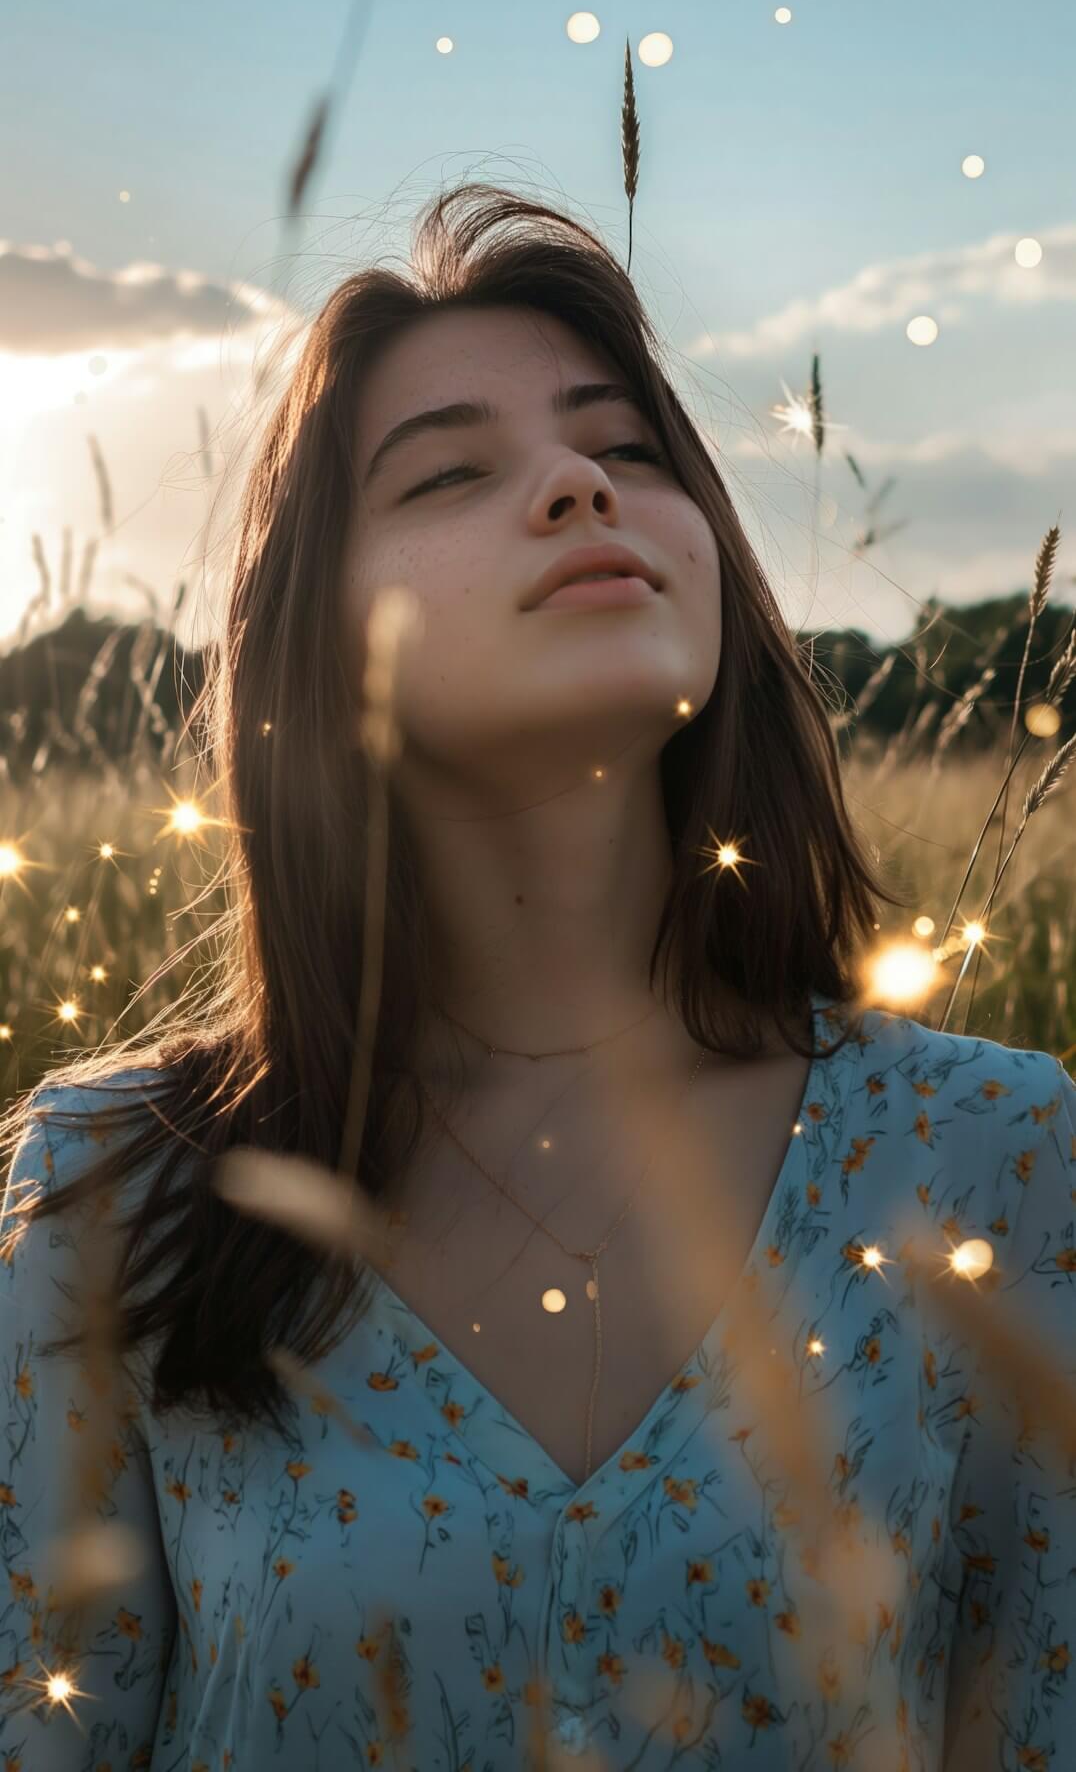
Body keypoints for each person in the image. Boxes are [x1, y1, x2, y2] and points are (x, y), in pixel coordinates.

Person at [1, 184, 1073, 1771]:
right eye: (450, 471)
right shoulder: (113, 1192)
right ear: (318, 633)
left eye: (626, 451)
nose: (579, 486)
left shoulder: (995, 1154)